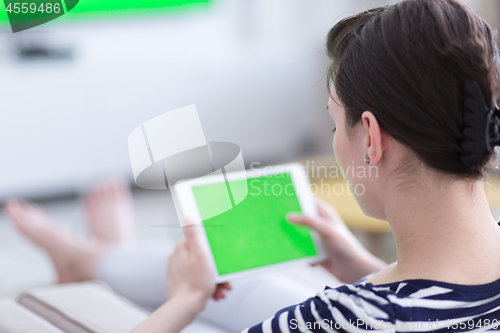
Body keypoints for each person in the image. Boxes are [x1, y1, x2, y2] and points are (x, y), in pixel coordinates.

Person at [127, 0, 500, 331]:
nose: (336, 138)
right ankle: (95, 254)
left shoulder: (340, 318)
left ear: (370, 137)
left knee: (237, 289)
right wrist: (364, 268)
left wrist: (185, 300)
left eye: (334, 123)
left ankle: (97, 254)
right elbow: (437, 300)